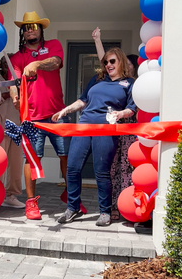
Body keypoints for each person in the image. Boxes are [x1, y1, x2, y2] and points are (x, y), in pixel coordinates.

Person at [53, 47, 136, 226]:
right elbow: (82, 101)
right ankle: (73, 208)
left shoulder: (129, 83)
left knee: (101, 172)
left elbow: (132, 109)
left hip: (106, 129)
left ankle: (105, 212)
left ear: (120, 61)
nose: (108, 65)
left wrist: (121, 114)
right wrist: (65, 110)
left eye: (112, 61)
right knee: (72, 168)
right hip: (84, 125)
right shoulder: (97, 80)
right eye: (106, 62)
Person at [9, 11, 70, 220]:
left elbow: (55, 62)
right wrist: (15, 96)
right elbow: (14, 82)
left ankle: (72, 198)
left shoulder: (53, 45)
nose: (29, 31)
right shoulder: (17, 57)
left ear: (41, 29)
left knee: (66, 156)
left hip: (57, 114)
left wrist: (36, 64)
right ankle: (31, 203)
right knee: (32, 159)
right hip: (31, 117)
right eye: (26, 28)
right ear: (22, 34)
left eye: (33, 27)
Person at [92, 28, 138, 220]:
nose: (113, 65)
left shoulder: (133, 84)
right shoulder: (113, 81)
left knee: (126, 171)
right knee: (111, 170)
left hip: (128, 134)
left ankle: (126, 207)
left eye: (126, 63)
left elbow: (132, 108)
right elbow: (106, 61)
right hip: (111, 131)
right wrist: (97, 40)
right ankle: (112, 207)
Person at [0, 55, 25, 208]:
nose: (12, 67)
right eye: (9, 64)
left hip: (17, 126)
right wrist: (9, 91)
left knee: (16, 164)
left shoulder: (21, 80)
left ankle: (11, 196)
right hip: (1, 126)